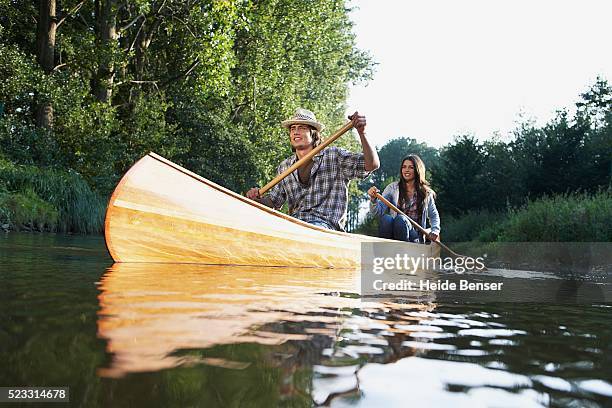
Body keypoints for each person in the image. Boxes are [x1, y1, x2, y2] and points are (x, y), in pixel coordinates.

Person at [246, 108, 379, 231]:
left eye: (302, 127)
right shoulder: (285, 167)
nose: (295, 132)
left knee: (302, 229)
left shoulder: (334, 155)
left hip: (325, 226)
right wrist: (256, 198)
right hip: (293, 224)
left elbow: (372, 165)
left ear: (313, 134)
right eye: (292, 128)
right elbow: (273, 202)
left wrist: (362, 133)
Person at [368, 155, 440, 243]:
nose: (406, 170)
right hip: (396, 232)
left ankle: (403, 253)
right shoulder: (392, 188)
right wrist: (373, 199)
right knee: (386, 219)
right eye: (404, 167)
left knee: (401, 219)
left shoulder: (426, 193)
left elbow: (433, 215)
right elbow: (377, 212)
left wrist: (435, 230)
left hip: (414, 236)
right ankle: (384, 251)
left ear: (418, 170)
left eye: (411, 167)